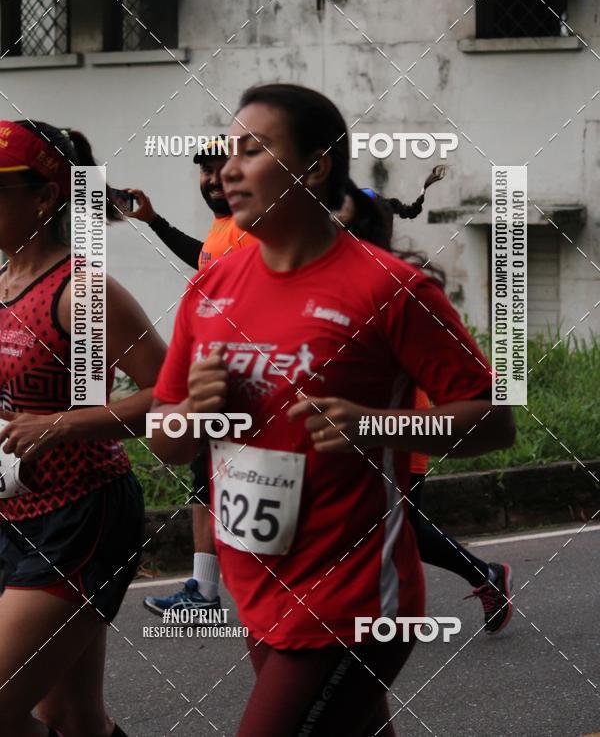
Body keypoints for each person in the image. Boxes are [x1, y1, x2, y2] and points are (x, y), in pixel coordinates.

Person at [149, 83, 516, 737]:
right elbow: (165, 440)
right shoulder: (209, 287)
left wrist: (377, 426)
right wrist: (190, 415)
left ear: (314, 166)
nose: (227, 169)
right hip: (258, 587)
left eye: (253, 149)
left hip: (353, 602)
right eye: (226, 151)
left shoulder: (391, 288)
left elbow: (495, 421)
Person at [0, 120, 166, 737]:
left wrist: (61, 427)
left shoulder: (81, 291)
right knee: (72, 717)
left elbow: (170, 397)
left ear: (44, 198)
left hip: (81, 514)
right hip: (14, 512)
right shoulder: (2, 287)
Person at [341, 183, 513, 634]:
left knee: (404, 530)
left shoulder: (395, 286)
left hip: (401, 437)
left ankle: (482, 575)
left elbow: (484, 403)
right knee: (384, 530)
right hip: (349, 442)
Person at [125, 142, 257, 617]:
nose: (212, 179)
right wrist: (155, 222)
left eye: (222, 170)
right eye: (205, 171)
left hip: (245, 382)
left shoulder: (251, 229)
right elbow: (201, 258)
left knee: (234, 482)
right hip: (214, 381)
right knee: (205, 480)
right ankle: (205, 591)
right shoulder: (224, 228)